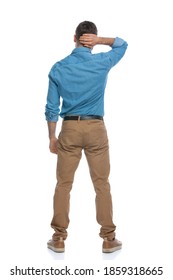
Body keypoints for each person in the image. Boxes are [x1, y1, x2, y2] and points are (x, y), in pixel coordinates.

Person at [45, 21, 128, 253]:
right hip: (96, 129)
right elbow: (122, 45)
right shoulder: (102, 62)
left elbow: (52, 107)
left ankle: (59, 238)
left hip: (69, 128)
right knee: (101, 184)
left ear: (75, 38)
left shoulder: (58, 68)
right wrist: (101, 41)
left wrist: (52, 137)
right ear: (90, 40)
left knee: (63, 184)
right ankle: (109, 239)